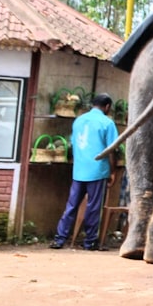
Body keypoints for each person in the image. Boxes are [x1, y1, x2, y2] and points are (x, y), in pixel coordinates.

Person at [50, 93, 119, 251]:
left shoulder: (79, 120)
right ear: (107, 107)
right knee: (93, 206)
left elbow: (74, 144)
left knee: (72, 205)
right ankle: (90, 241)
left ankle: (59, 239)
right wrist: (112, 171)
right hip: (97, 171)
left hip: (79, 170)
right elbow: (112, 150)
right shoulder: (107, 123)